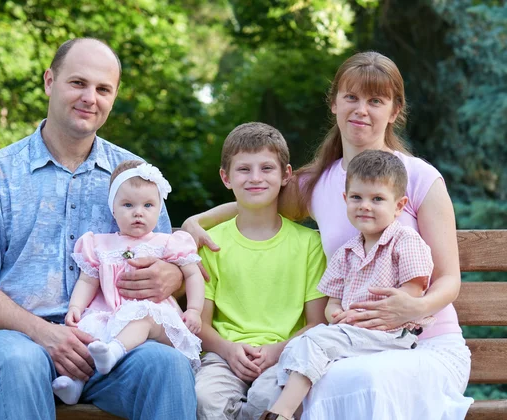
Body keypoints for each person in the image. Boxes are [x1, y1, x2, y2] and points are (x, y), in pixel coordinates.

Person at [183, 51, 473, 419]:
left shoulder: (419, 178)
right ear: (334, 103)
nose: (361, 110)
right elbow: (256, 199)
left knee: (360, 380)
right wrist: (197, 221)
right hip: (348, 345)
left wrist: (416, 306)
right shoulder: (318, 183)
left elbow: (449, 279)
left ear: (394, 111)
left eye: (375, 101)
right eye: (351, 97)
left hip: (423, 344)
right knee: (317, 380)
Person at [0, 38, 197, 420]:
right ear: (49, 81)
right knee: (19, 363)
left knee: (167, 367)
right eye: (78, 83)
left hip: (110, 342)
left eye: (103, 89)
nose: (89, 98)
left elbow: (167, 260)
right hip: (15, 339)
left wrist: (173, 275)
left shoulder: (134, 175)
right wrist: (46, 334)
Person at [260, 150, 436, 420]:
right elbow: (332, 303)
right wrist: (337, 314)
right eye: (357, 197)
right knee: (299, 346)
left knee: (314, 341)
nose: (365, 205)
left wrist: (368, 315)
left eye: (377, 199)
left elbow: (413, 291)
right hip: (350, 333)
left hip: (390, 333)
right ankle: (279, 406)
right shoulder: (346, 252)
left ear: (399, 206)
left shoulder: (405, 241)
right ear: (345, 200)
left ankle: (281, 414)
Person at [194, 122, 328, 420]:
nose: (255, 178)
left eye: (267, 168)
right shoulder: (212, 243)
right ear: (225, 178)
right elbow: (200, 324)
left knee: (269, 400)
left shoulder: (309, 244)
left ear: (286, 175)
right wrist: (228, 350)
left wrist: (276, 351)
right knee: (204, 398)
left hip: (287, 355)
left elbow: (317, 324)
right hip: (224, 355)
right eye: (244, 170)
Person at [52, 159, 204, 405]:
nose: (138, 212)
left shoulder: (167, 242)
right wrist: (76, 308)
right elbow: (87, 281)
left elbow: (193, 274)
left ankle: (115, 351)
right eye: (128, 205)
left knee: (141, 317)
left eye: (148, 205)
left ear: (159, 209)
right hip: (110, 313)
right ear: (113, 209)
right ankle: (75, 385)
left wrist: (194, 310)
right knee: (88, 334)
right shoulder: (99, 244)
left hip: (154, 316)